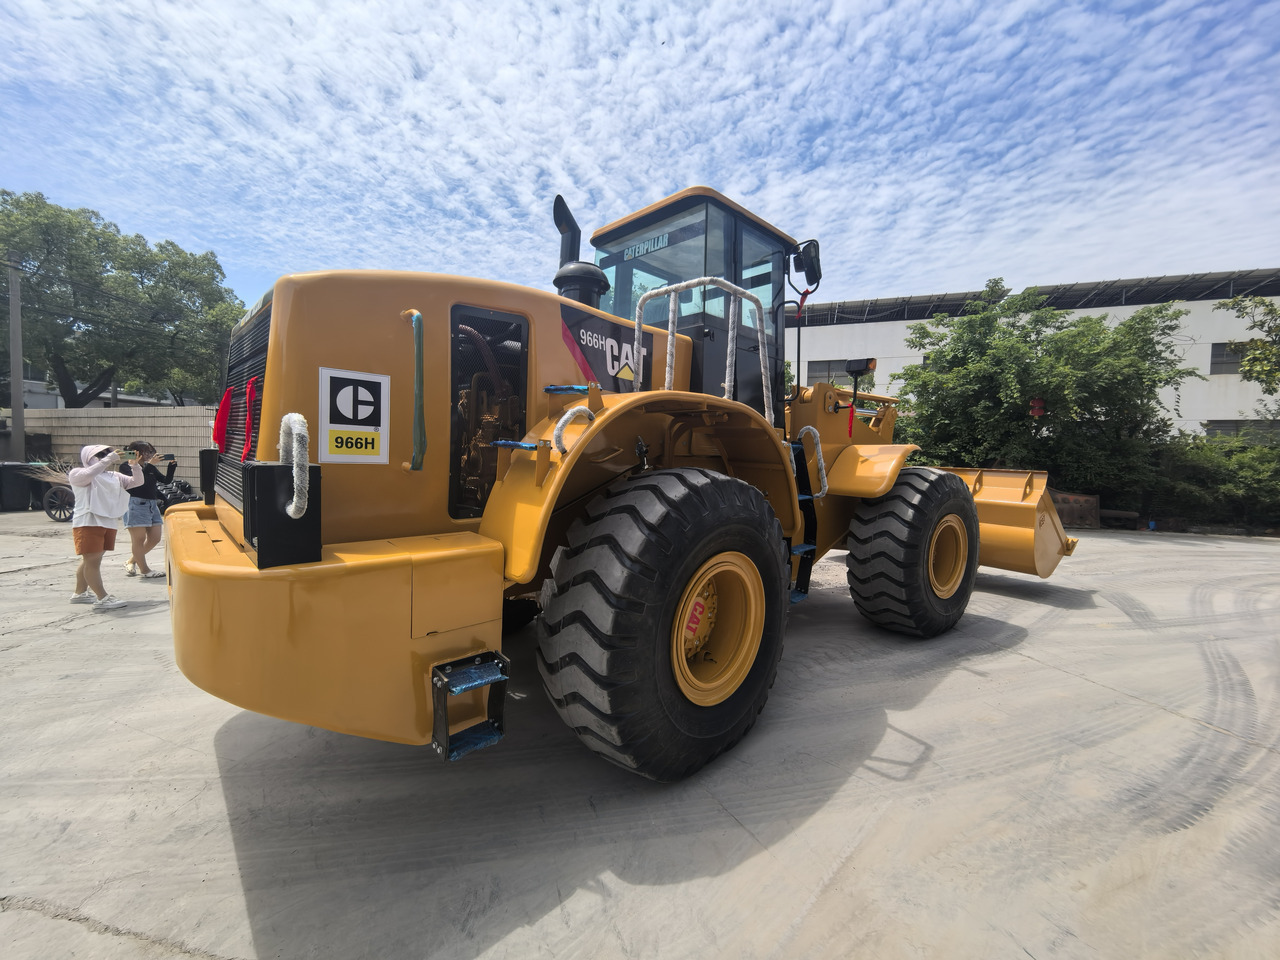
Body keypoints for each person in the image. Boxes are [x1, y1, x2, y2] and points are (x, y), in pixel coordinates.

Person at [67, 444, 143, 611]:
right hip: (88, 521)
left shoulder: (113, 475)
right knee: (92, 561)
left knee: (91, 560)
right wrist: (109, 459)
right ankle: (102, 597)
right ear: (88, 457)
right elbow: (89, 474)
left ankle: (79, 593)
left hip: (107, 520)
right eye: (100, 455)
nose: (105, 457)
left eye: (107, 453)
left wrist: (135, 465)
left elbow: (136, 482)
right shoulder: (77, 473)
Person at [120, 441, 176, 578]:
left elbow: (166, 481)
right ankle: (144, 570)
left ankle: (131, 561)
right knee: (138, 539)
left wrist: (172, 467)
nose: (149, 455)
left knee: (155, 538)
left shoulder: (148, 467)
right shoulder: (126, 466)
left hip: (152, 504)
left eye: (151, 452)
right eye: (146, 452)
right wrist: (150, 465)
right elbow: (136, 484)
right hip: (135, 504)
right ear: (136, 453)